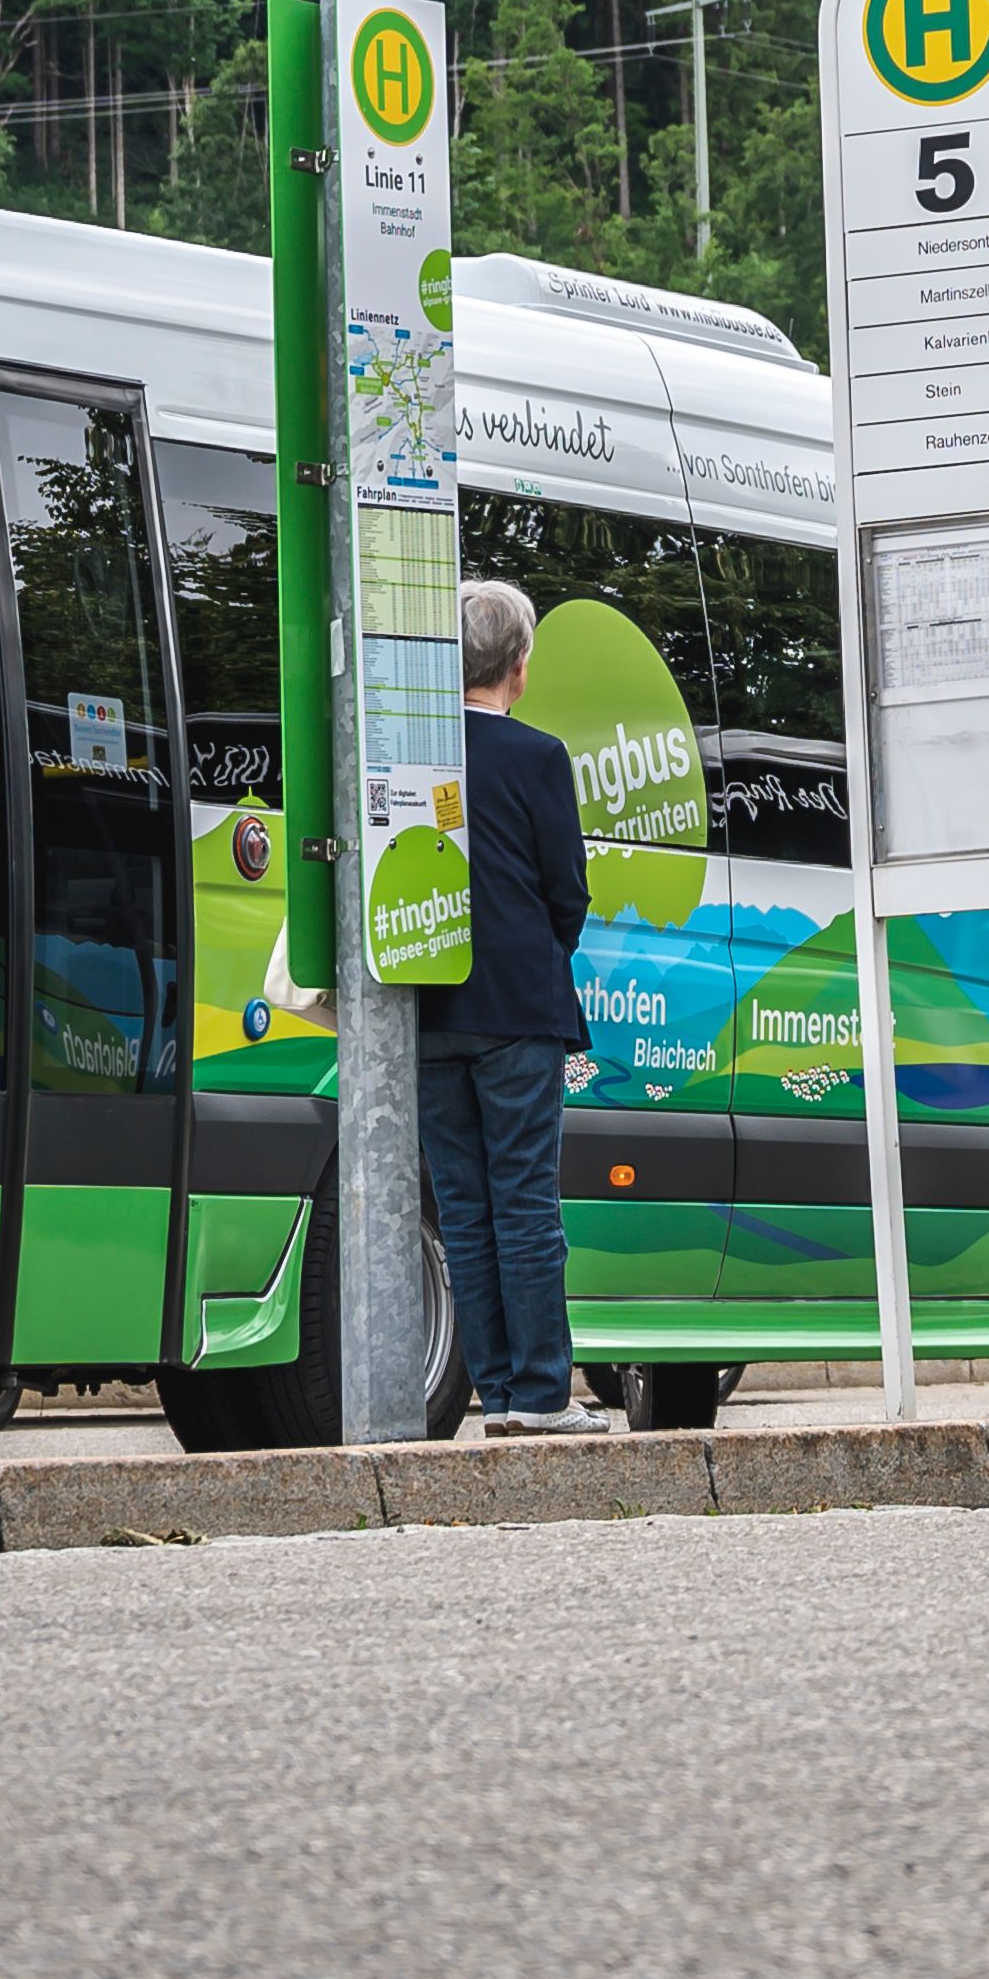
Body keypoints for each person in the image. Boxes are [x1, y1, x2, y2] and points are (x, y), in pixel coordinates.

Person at [417, 577, 601, 1435]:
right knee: (526, 1200)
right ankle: (540, 1395)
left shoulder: (414, 756)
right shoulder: (537, 758)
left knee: (463, 1207)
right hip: (519, 1009)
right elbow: (568, 891)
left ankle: (494, 1388)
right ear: (518, 667)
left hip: (428, 1011)